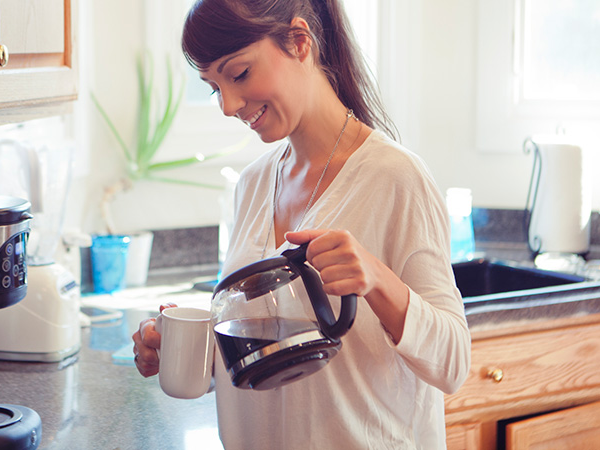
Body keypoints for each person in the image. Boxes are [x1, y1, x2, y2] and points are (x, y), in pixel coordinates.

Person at [132, 0, 471, 448]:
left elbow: (453, 363)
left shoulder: (396, 178)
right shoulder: (252, 184)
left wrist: (377, 279)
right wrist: (180, 346)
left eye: (239, 74)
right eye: (214, 87)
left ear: (299, 41)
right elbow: (267, 352)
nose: (229, 105)